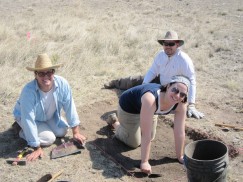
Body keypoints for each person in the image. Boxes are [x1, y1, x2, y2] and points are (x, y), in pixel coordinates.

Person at [104, 30, 204, 119]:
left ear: (177, 45)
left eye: (171, 44)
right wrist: (144, 85)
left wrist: (191, 104)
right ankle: (114, 83)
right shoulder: (160, 55)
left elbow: (191, 81)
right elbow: (152, 71)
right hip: (159, 80)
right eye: (166, 44)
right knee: (134, 80)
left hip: (172, 89)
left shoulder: (184, 60)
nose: (168, 46)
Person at [106, 75, 190, 175]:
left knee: (151, 136)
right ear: (168, 86)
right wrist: (144, 162)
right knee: (134, 142)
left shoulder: (181, 104)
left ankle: (131, 127)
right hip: (130, 108)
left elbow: (179, 132)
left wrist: (180, 156)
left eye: (182, 94)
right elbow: (146, 134)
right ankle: (115, 122)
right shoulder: (151, 99)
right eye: (175, 90)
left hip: (150, 110)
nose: (177, 96)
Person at [12, 53, 86, 161]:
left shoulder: (63, 84)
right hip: (28, 118)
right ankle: (20, 129)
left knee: (63, 130)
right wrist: (36, 147)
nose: (46, 76)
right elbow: (28, 119)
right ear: (35, 75)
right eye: (41, 73)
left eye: (49, 72)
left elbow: (70, 106)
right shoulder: (28, 91)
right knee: (49, 138)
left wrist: (76, 132)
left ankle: (41, 128)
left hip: (48, 115)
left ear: (53, 72)